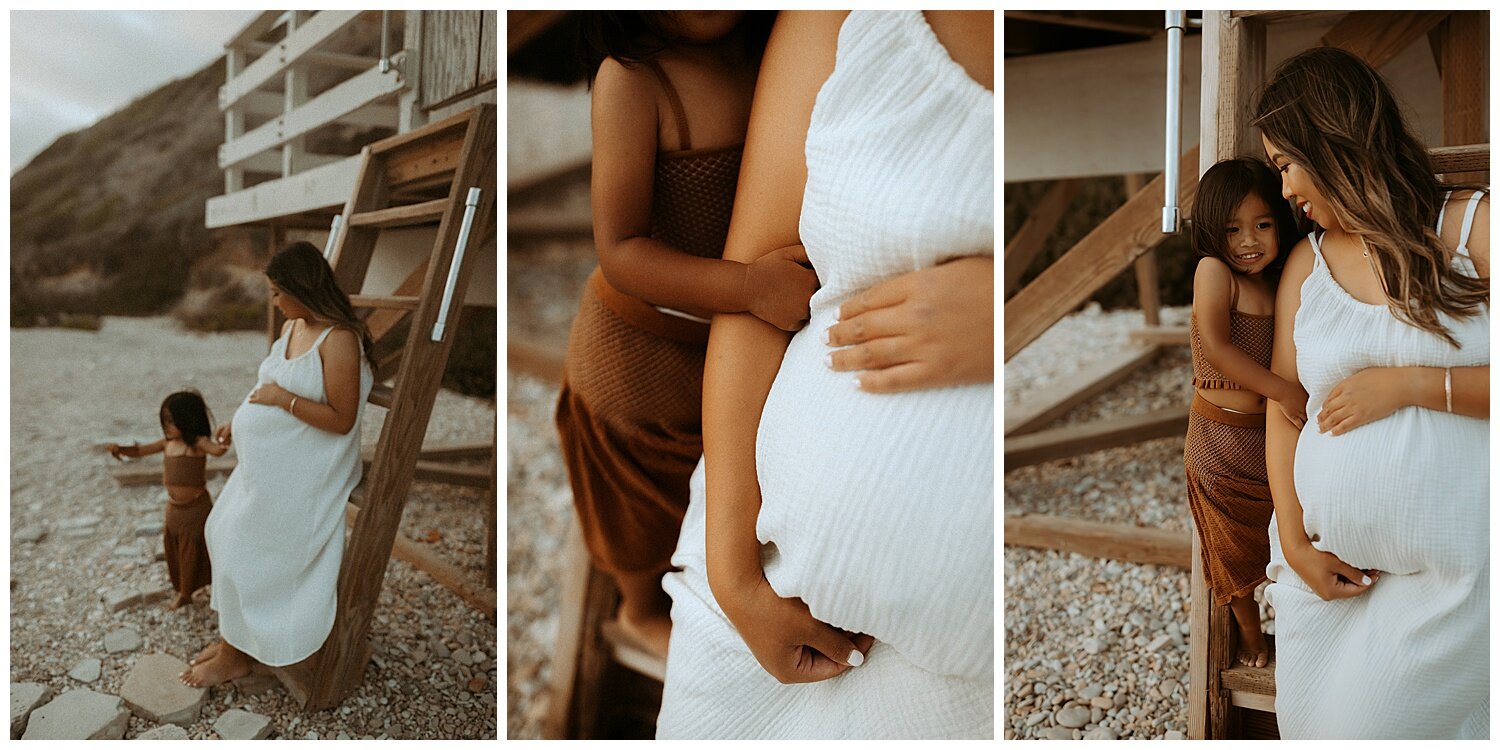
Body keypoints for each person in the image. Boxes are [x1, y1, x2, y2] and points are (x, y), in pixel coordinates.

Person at [656, 11, 993, 739]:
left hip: (972, 688)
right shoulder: (829, 18)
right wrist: (734, 576)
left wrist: (1007, 309)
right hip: (760, 609)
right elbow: (753, 292)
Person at [556, 10, 815, 658]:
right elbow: (620, 250)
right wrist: (749, 289)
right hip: (639, 354)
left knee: (744, 492)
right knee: (635, 510)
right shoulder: (631, 78)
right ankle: (638, 610)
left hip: (741, 344)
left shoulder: (778, 43)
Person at [1257, 47, 1489, 739]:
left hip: (1459, 585)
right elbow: (1284, 408)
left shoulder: (1474, 227)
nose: (1285, 189)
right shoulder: (1306, 262)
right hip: (1330, 583)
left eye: (1286, 164)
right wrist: (1295, 544)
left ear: (1333, 139)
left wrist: (1411, 385)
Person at [179, 241, 374, 687]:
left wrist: (279, 402)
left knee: (243, 541)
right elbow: (269, 383)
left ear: (302, 290)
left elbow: (342, 421)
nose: (274, 301)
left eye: (277, 292)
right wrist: (239, 418)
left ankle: (236, 655)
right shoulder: (293, 329)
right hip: (272, 466)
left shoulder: (339, 339)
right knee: (221, 529)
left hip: (312, 470)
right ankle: (236, 640)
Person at [1181, 158, 1303, 668]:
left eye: (1262, 225)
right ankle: (1252, 637)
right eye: (1232, 229)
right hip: (1217, 443)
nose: (1248, 240)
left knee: (1279, 530)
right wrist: (1283, 391)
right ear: (1212, 229)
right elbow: (1216, 346)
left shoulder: (1280, 282)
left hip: (1265, 440)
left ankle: (1293, 622)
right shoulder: (1216, 272)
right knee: (1230, 545)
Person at [104, 390, 229, 610]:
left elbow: (218, 451)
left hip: (196, 507)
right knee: (176, 550)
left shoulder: (197, 444)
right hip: (174, 508)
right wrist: (121, 449)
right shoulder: (166, 444)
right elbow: (141, 450)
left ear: (188, 419)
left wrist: (226, 435)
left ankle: (190, 591)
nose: (168, 426)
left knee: (194, 550)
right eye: (165, 421)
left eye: (172, 421)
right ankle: (183, 589)